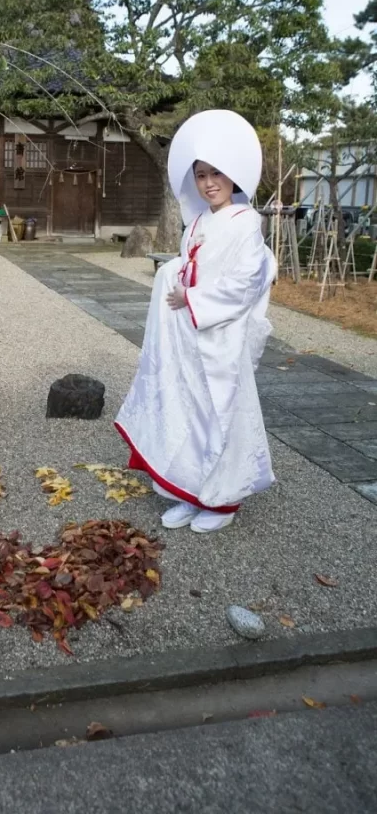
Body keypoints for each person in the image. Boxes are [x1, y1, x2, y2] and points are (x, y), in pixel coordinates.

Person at [115, 110, 277, 534]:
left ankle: (222, 500)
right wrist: (177, 278)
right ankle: (189, 491)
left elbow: (247, 281)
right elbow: (187, 266)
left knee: (219, 414)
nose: (209, 183)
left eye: (216, 173)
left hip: (222, 337)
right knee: (187, 411)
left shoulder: (247, 224)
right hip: (189, 336)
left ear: (233, 174)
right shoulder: (198, 223)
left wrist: (191, 296)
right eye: (201, 175)